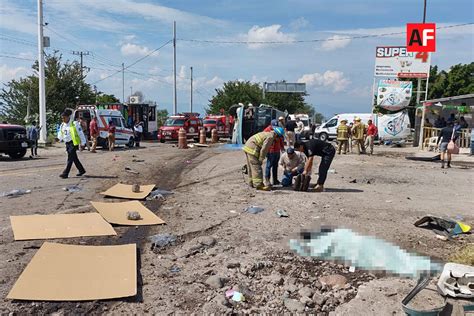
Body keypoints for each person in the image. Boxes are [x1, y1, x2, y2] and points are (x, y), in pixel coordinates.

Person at [57, 109, 86, 178]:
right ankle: (81, 170)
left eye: (64, 118)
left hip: (73, 143)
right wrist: (58, 138)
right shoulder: (62, 125)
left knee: (70, 158)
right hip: (67, 143)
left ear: (68, 117)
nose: (63, 119)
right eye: (62, 118)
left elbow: (80, 134)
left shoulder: (74, 124)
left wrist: (83, 143)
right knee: (74, 158)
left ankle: (65, 173)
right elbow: (61, 134)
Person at [264, 120, 285, 186]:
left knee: (275, 165)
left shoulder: (278, 129)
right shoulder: (267, 130)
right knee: (269, 165)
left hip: (277, 150)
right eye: (273, 126)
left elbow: (281, 138)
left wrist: (282, 148)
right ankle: (267, 180)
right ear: (271, 125)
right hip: (270, 150)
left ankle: (275, 180)